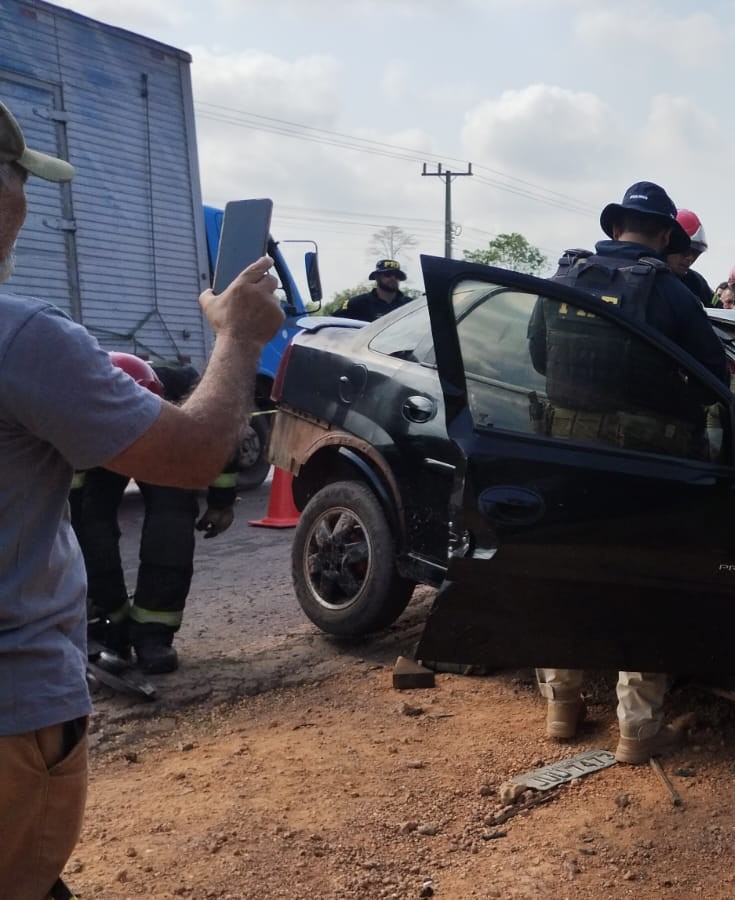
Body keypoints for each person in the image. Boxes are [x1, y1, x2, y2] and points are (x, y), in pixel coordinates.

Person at [0, 97, 285, 900]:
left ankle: (134, 638)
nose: (26, 209)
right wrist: (239, 338)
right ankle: (142, 639)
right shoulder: (24, 341)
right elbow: (194, 456)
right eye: (20, 184)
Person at [534, 180, 722, 766]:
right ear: (665, 235)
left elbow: (539, 357)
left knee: (569, 575)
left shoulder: (563, 279)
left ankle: (562, 706)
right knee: (643, 585)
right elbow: (714, 379)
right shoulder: (673, 294)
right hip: (646, 460)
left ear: (615, 227)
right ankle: (637, 731)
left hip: (563, 449)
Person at [70, 360, 238, 674]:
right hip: (103, 449)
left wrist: (221, 503)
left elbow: (222, 442)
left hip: (164, 440)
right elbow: (72, 491)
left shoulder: (189, 392)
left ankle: (153, 635)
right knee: (89, 527)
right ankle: (108, 627)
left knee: (171, 521)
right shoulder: (78, 403)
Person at [667, 208, 714, 308]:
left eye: (696, 252)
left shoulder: (697, 283)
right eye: (685, 250)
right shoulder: (646, 279)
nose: (690, 258)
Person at [342, 259, 412, 322]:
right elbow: (335, 325)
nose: (393, 278)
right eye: (388, 274)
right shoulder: (356, 304)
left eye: (397, 276)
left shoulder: (410, 304)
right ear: (377, 277)